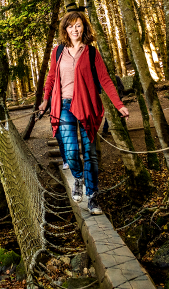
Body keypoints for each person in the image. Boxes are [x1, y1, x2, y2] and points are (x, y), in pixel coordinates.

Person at [39, 11, 129, 215]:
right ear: (65, 29)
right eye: (70, 26)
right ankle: (77, 178)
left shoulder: (91, 53)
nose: (74, 29)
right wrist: (45, 100)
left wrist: (118, 104)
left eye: (78, 25)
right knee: (70, 151)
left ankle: (93, 196)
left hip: (87, 106)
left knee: (90, 154)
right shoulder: (58, 51)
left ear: (84, 28)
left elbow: (105, 79)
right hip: (63, 105)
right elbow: (51, 77)